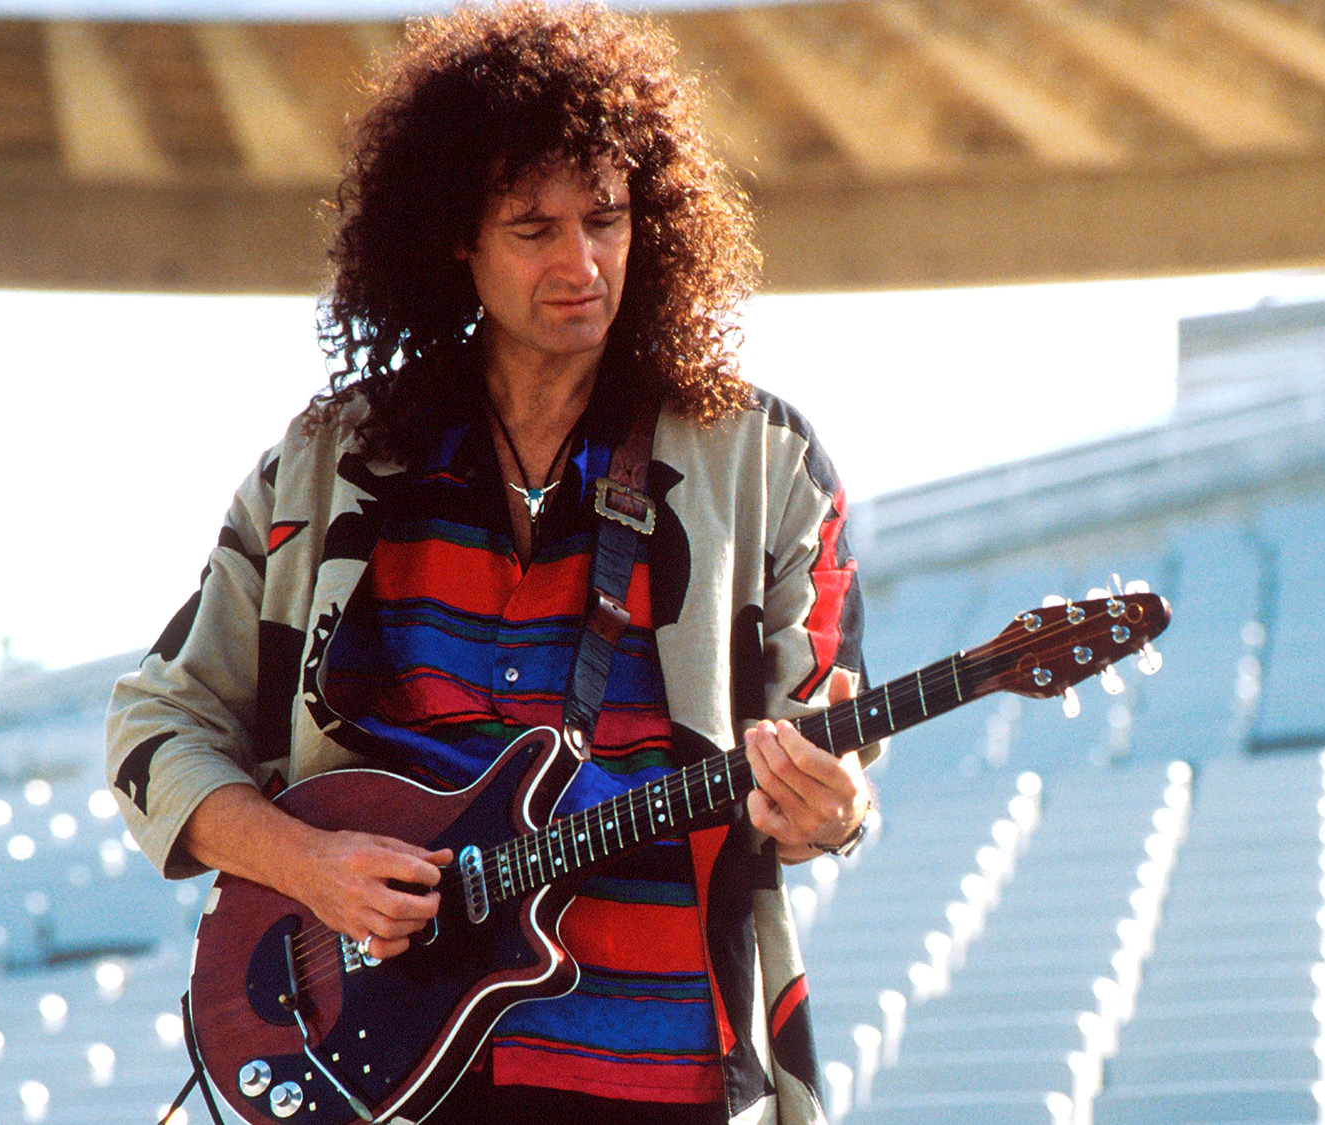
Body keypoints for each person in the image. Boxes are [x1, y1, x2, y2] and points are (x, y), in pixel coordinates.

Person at [105, 4, 874, 1123]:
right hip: (377, 1077)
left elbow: (825, 748)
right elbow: (154, 729)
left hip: (657, 1067)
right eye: (530, 228)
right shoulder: (330, 464)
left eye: (606, 220)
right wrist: (305, 866)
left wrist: (831, 812)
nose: (581, 263)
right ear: (451, 239)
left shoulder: (763, 462)